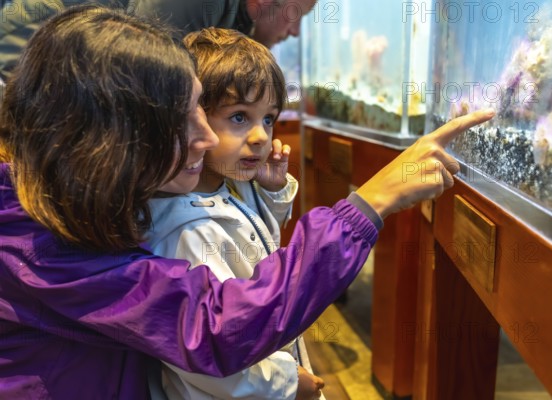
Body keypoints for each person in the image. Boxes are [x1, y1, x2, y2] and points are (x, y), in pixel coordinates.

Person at [0, 5, 494, 398]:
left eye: (199, 110)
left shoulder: (74, 200)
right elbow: (211, 329)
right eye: (178, 119)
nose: (203, 138)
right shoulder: (44, 242)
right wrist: (368, 204)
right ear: (109, 136)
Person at [146, 27, 322, 399]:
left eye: (268, 118)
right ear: (193, 118)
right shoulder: (187, 233)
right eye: (240, 117)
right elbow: (215, 359)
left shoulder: (228, 183)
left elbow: (257, 239)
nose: (261, 136)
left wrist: (272, 192)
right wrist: (288, 384)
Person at [0, 0, 316, 80]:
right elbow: (146, 73)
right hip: (33, 50)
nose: (295, 32)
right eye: (296, 13)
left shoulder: (232, 18)